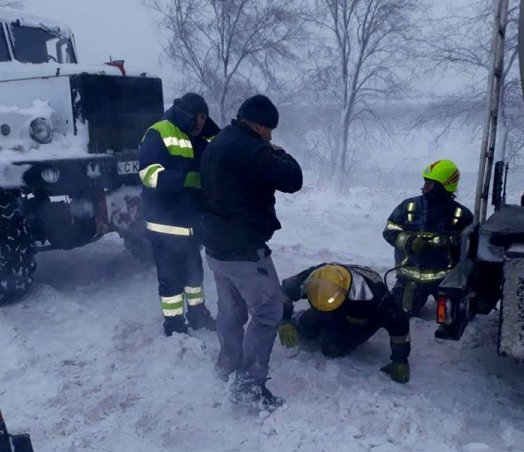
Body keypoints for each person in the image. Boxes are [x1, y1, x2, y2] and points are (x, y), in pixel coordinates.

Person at [200, 95, 303, 411]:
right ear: (258, 124)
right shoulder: (251, 148)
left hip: (216, 247)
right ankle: (248, 385)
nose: (271, 135)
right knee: (268, 311)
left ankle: (227, 365)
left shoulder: (216, 143)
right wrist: (278, 152)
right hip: (244, 250)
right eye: (269, 129)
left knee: (231, 310)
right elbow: (293, 179)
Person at [139, 92, 220, 337]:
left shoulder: (200, 137)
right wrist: (187, 179)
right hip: (165, 225)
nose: (200, 124)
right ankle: (174, 326)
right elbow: (148, 174)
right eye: (198, 118)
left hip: (191, 224)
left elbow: (221, 143)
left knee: (194, 275)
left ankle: (197, 315)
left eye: (204, 118)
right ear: (186, 115)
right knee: (171, 279)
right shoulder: (158, 132)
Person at [278, 263, 411, 384]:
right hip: (330, 305)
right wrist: (285, 321)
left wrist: (400, 360)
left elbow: (399, 322)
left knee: (333, 349)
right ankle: (303, 318)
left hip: (358, 313)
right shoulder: (314, 276)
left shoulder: (374, 297)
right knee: (305, 330)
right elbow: (284, 292)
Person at [383, 160, 474, 316]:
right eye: (425, 181)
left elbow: (470, 249)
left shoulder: (461, 215)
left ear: (443, 186)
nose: (425, 185)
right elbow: (389, 231)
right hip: (410, 279)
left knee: (452, 317)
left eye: (431, 182)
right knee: (397, 314)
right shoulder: (409, 207)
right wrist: (409, 242)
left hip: (445, 282)